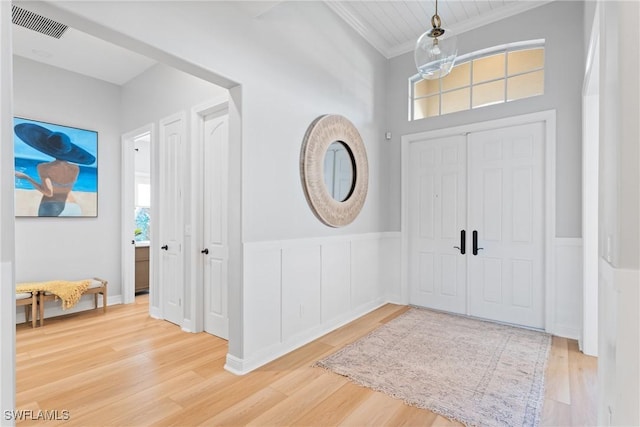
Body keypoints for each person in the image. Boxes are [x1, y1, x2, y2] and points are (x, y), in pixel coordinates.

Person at [14, 123, 95, 216]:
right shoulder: (75, 168)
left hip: (51, 207)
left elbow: (48, 193)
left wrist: (27, 178)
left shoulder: (44, 167)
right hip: (74, 207)